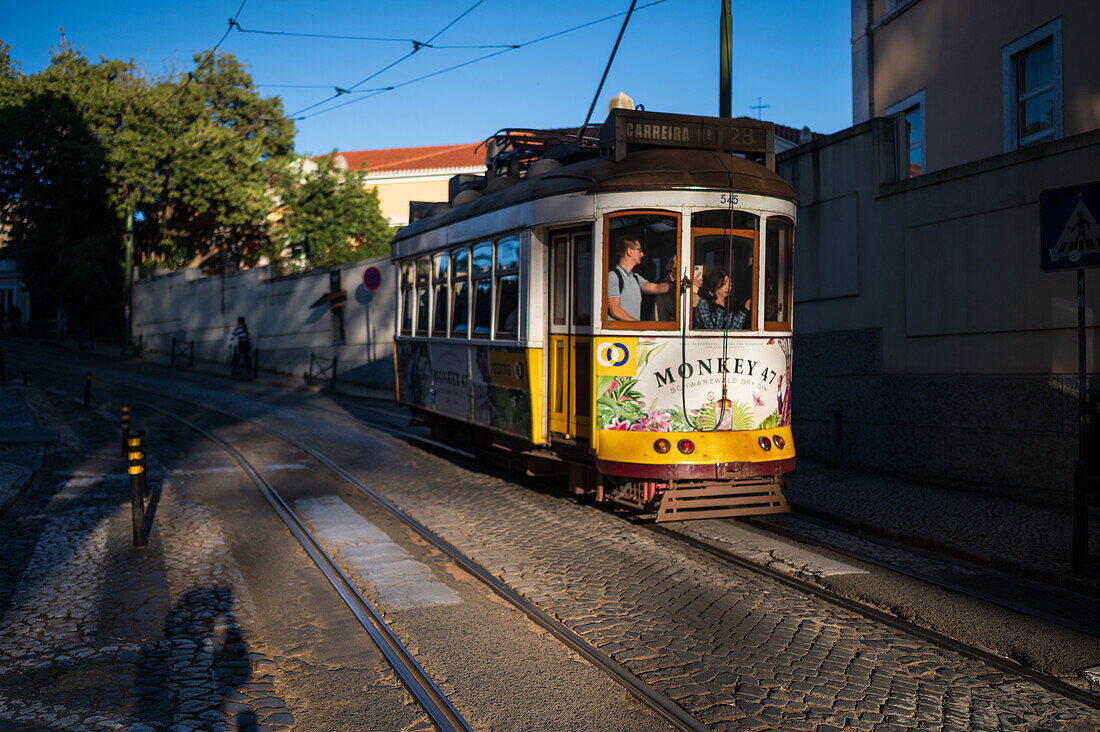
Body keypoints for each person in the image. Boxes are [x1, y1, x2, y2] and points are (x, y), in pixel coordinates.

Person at [607, 236, 673, 321]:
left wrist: (675, 284)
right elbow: (615, 310)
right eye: (639, 250)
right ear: (629, 251)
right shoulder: (613, 277)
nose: (642, 254)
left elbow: (657, 288)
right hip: (620, 333)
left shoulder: (636, 278)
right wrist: (637, 325)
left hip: (633, 333)